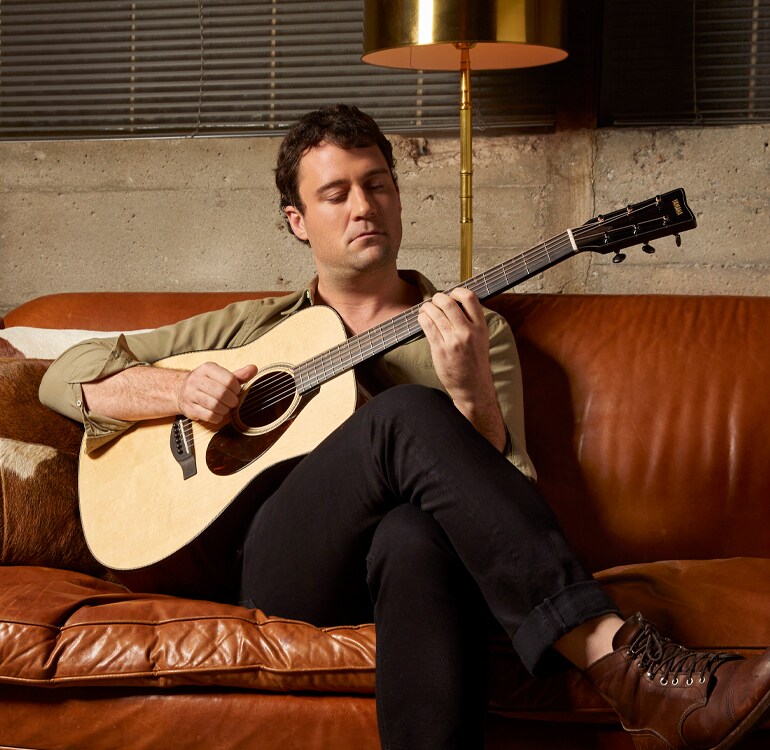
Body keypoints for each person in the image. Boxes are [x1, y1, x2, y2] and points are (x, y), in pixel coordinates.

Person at [40, 104, 770, 750]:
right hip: (278, 566)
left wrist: (470, 391)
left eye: (378, 183)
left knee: (413, 535)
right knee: (403, 413)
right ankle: (624, 663)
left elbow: (503, 501)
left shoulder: (472, 329)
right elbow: (66, 371)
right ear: (299, 221)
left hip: (415, 569)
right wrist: (181, 388)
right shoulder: (256, 327)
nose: (365, 205)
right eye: (336, 193)